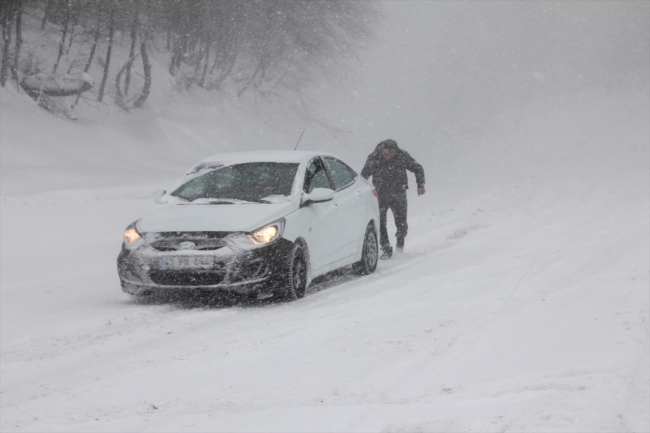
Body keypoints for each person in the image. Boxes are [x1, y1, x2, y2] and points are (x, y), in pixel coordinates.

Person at [361, 139, 425, 259]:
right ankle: (386, 249)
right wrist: (370, 190)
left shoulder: (402, 156)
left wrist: (420, 185)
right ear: (382, 150)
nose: (389, 156)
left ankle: (400, 247)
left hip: (399, 193)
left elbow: (418, 168)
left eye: (392, 154)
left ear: (396, 152)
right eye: (386, 154)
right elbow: (363, 177)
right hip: (380, 195)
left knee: (401, 223)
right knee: (380, 224)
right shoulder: (374, 158)